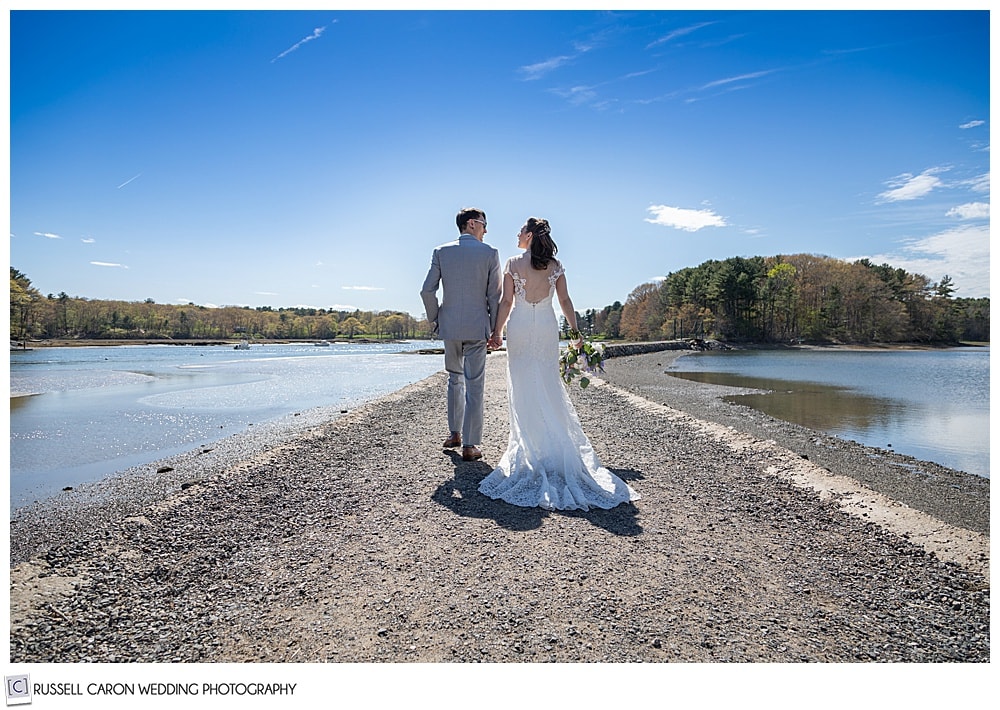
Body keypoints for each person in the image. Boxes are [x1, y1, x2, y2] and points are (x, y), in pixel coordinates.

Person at [481, 217, 639, 511]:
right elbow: (565, 301)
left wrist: (496, 332)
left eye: (520, 230)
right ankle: (552, 450)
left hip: (520, 326)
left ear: (528, 235)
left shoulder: (514, 264)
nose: (517, 234)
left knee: (523, 385)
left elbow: (506, 302)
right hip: (545, 326)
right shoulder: (555, 266)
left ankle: (533, 451)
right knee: (547, 383)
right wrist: (576, 334)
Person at [420, 207, 502, 462]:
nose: (486, 230)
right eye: (484, 224)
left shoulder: (441, 252)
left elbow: (426, 292)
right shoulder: (490, 253)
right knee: (474, 385)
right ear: (471, 224)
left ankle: (454, 434)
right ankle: (470, 445)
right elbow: (494, 296)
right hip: (478, 327)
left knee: (454, 380)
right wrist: (497, 329)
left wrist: (436, 319)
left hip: (450, 327)